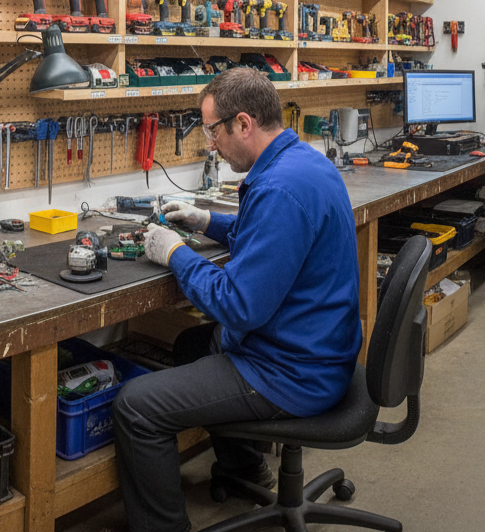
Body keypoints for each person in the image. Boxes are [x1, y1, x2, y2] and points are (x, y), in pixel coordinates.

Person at [113, 68, 361, 532]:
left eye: (213, 130)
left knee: (135, 407)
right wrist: (206, 221)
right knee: (191, 344)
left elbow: (238, 306)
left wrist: (176, 254)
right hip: (318, 347)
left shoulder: (279, 188)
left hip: (292, 372)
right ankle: (247, 467)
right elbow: (274, 235)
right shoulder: (299, 162)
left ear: (244, 123)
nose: (209, 143)